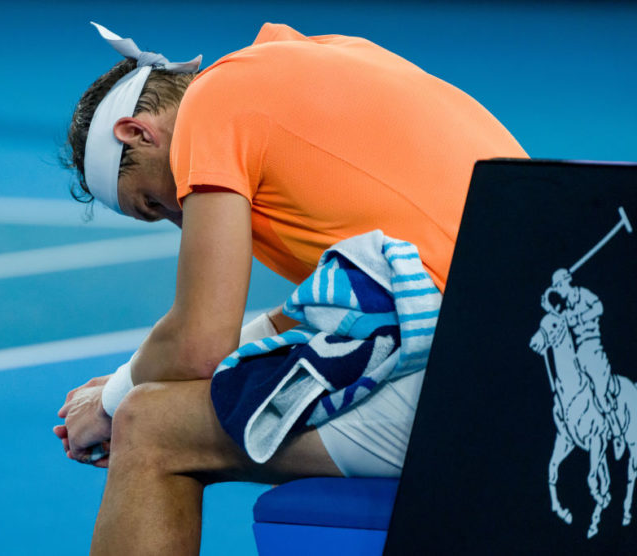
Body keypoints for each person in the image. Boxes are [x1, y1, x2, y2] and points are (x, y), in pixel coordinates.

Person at [54, 21, 527, 554]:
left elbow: (198, 346)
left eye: (154, 204)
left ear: (137, 131)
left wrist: (115, 398)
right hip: (535, 342)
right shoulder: (317, 60)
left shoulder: (213, 106)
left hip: (490, 389)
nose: (180, 219)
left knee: (150, 427)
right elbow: (318, 314)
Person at [542, 269, 624, 454]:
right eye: (556, 288)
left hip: (593, 349)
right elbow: (560, 322)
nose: (559, 290)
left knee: (600, 392)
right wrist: (549, 307)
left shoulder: (583, 295)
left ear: (566, 282)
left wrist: (577, 317)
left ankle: (617, 432)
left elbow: (599, 307)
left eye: (559, 286)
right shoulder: (566, 307)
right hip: (578, 354)